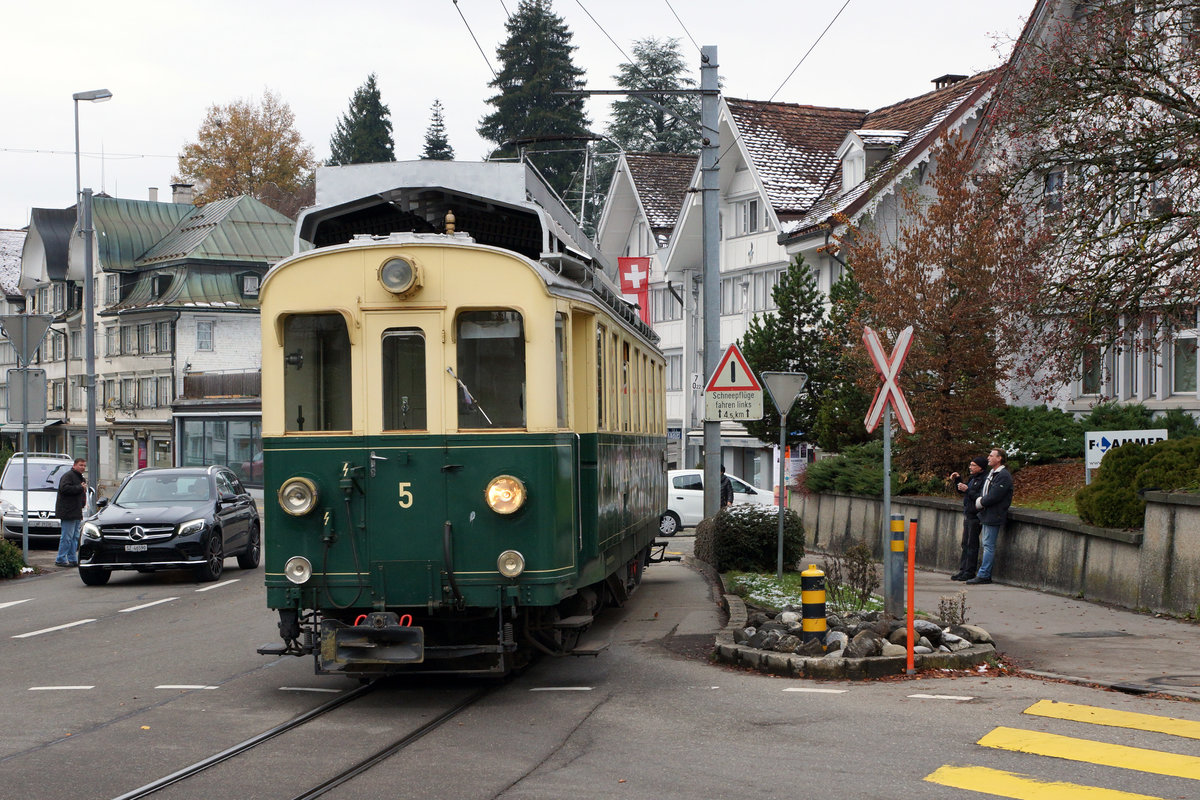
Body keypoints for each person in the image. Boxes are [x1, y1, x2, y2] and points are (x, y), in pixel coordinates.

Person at [968, 448, 1013, 585]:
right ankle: (983, 573)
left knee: (988, 545)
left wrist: (980, 502)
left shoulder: (1003, 475)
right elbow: (986, 491)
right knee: (986, 544)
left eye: (991, 455)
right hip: (987, 513)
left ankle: (984, 574)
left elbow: (994, 495)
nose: (988, 458)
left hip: (994, 514)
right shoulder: (992, 473)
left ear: (999, 458)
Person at [949, 456, 988, 581]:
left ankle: (970, 571)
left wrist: (968, 489)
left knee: (972, 544)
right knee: (965, 543)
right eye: (970, 465)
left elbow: (980, 497)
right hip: (968, 514)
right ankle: (963, 570)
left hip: (976, 515)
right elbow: (965, 492)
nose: (970, 467)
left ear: (981, 467)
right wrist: (958, 481)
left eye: (973, 465)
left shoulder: (984, 480)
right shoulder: (973, 478)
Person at [54, 458, 88, 568]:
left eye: (84, 465)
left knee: (75, 537)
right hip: (68, 512)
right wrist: (80, 487)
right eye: (80, 465)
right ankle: (61, 558)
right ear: (74, 465)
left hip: (77, 511)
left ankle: (72, 558)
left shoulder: (80, 478)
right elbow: (64, 488)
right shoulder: (68, 476)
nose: (82, 467)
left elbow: (80, 493)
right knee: (67, 537)